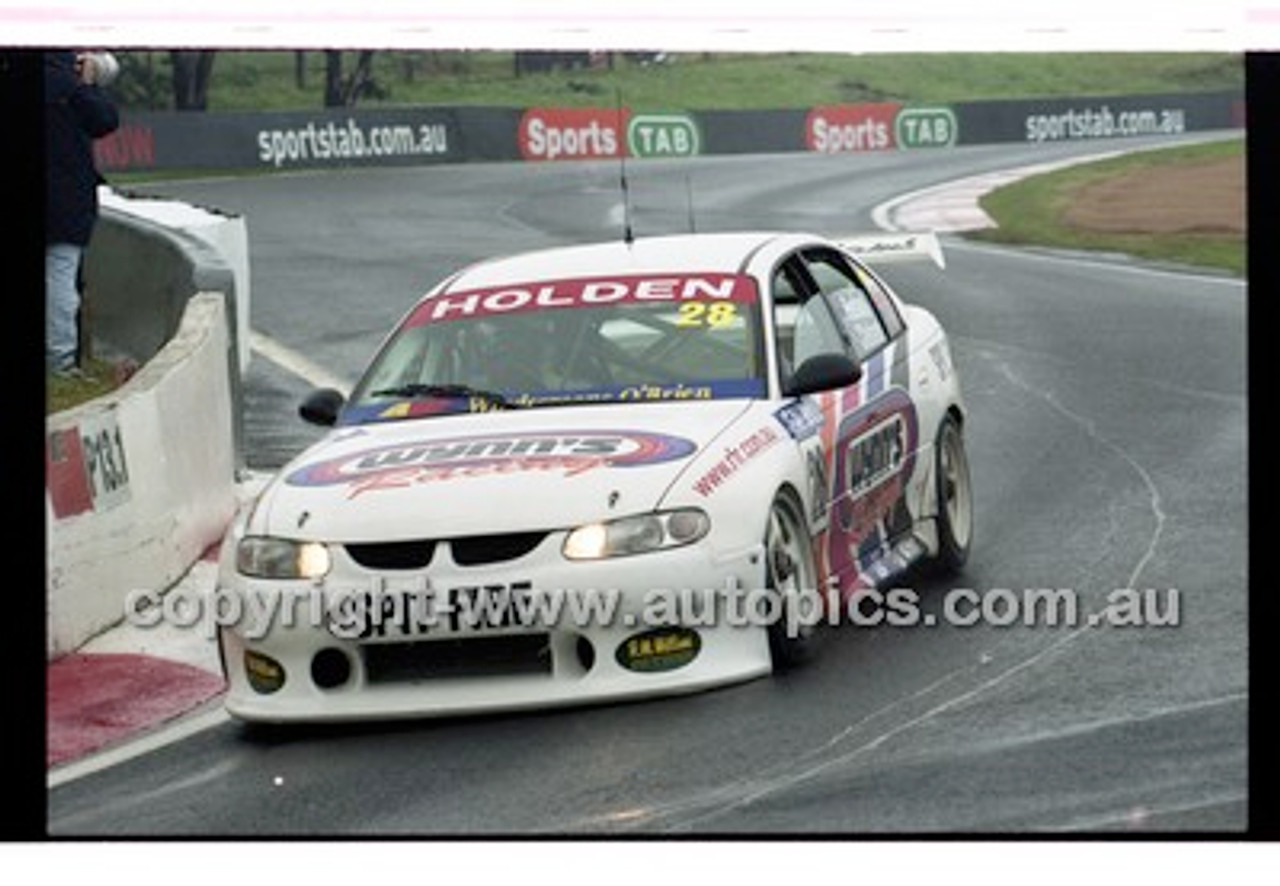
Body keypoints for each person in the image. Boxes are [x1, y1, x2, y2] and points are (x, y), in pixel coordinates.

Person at [45, 50, 119, 375]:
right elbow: (105, 121)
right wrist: (87, 83)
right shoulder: (68, 84)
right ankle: (60, 363)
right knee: (60, 278)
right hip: (64, 199)